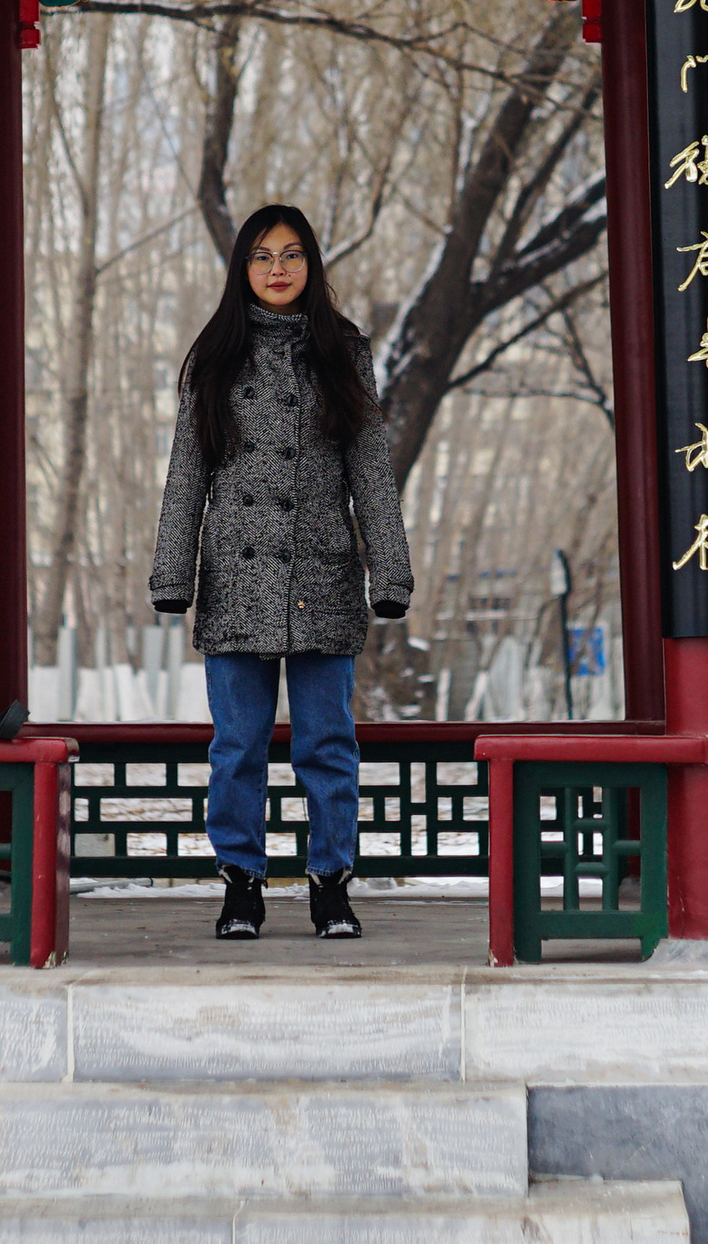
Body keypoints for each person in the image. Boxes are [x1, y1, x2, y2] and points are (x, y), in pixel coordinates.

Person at [148, 201, 414, 944]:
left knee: (327, 744)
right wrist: (172, 575)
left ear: (311, 264)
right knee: (237, 746)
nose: (277, 268)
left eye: (291, 254)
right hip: (236, 580)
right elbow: (187, 474)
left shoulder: (344, 352)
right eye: (262, 256)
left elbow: (371, 471)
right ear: (243, 267)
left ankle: (331, 883)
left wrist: (390, 573)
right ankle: (242, 884)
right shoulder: (214, 354)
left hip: (322, 574)